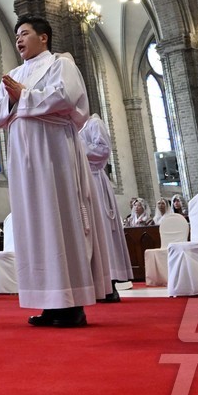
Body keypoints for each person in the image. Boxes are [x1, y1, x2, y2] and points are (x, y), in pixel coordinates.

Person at [0, 14, 97, 328]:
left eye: (24, 33)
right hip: (23, 156)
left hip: (53, 152)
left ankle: (72, 304)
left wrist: (24, 97)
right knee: (33, 224)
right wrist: (13, 100)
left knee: (57, 218)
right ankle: (48, 301)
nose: (19, 40)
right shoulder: (13, 74)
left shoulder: (60, 64)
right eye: (17, 36)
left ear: (44, 37)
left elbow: (65, 97)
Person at [80, 114, 133, 302]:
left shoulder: (93, 123)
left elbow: (103, 150)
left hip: (95, 180)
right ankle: (95, 283)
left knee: (102, 231)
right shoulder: (73, 127)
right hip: (80, 181)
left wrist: (76, 148)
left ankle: (110, 283)